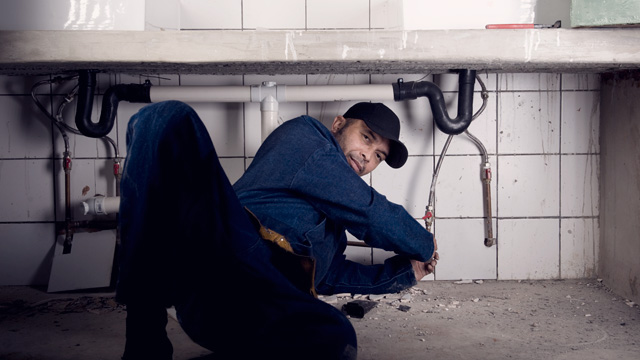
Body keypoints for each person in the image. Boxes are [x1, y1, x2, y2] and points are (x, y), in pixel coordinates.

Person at [115, 100, 438, 360]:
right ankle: (145, 335)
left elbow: (330, 277)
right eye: (366, 138)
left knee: (335, 337)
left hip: (251, 309)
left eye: (379, 155)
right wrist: (424, 245)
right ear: (338, 124)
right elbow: (371, 212)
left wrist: (406, 273)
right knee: (169, 117)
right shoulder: (305, 137)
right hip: (232, 249)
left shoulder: (333, 229)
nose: (368, 156)